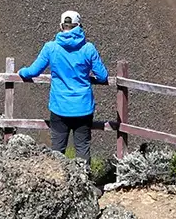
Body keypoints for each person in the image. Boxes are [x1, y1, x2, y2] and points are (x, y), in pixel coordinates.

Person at [17, 10, 109, 165]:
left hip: (59, 107)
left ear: (61, 26)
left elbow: (33, 72)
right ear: (79, 26)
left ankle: (59, 185)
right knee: (82, 149)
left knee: (57, 151)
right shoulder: (88, 49)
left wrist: (21, 72)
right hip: (83, 108)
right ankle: (83, 183)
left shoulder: (51, 48)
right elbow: (102, 76)